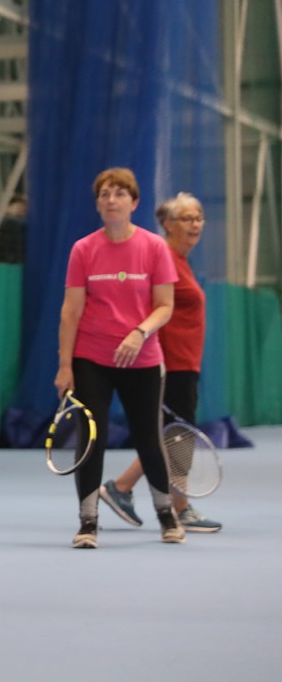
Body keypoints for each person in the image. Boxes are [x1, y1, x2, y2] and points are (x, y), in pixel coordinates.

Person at [54, 167, 183, 549]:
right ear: (97, 204)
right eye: (105, 194)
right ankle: (88, 522)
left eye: (120, 194)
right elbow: (70, 312)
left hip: (142, 360)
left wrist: (139, 332)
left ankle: (166, 514)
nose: (112, 200)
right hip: (92, 358)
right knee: (92, 438)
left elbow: (165, 306)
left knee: (148, 438)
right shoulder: (83, 249)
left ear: (134, 203)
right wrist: (65, 365)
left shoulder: (154, 248)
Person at [100, 193, 221, 533]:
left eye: (198, 217)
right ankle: (173, 505)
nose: (195, 224)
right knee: (177, 436)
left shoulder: (180, 260)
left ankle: (122, 489)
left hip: (184, 361)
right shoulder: (163, 256)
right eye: (186, 218)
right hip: (170, 362)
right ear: (167, 224)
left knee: (173, 435)